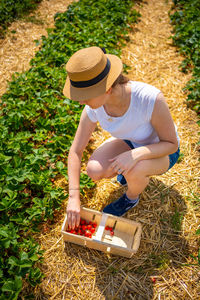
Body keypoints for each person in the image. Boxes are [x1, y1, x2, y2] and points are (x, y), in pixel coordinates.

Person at [63, 46, 180, 230]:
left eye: (85, 96)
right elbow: (75, 151)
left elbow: (172, 145)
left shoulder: (149, 99)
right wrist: (73, 197)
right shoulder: (94, 108)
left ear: (107, 89)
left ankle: (131, 198)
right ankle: (130, 171)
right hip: (131, 142)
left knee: (135, 169)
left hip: (161, 149)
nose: (80, 101)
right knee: (94, 170)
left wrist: (136, 155)